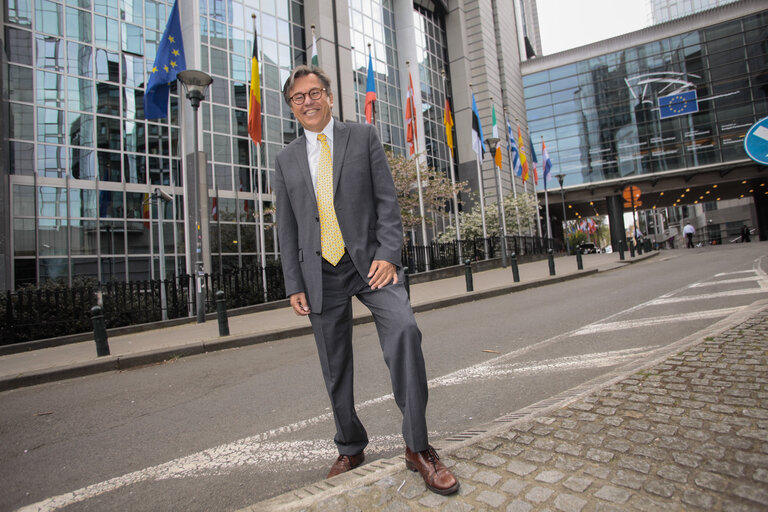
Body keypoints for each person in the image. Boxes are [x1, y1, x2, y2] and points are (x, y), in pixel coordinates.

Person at [273, 65, 459, 496]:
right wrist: (293, 283)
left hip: (371, 265)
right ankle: (351, 445)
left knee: (405, 331)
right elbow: (286, 228)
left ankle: (418, 447)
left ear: (330, 96)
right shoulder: (285, 160)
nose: (308, 102)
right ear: (291, 107)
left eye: (314, 92)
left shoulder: (363, 137)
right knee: (334, 365)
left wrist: (389, 255)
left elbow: (386, 202)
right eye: (298, 97)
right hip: (320, 273)